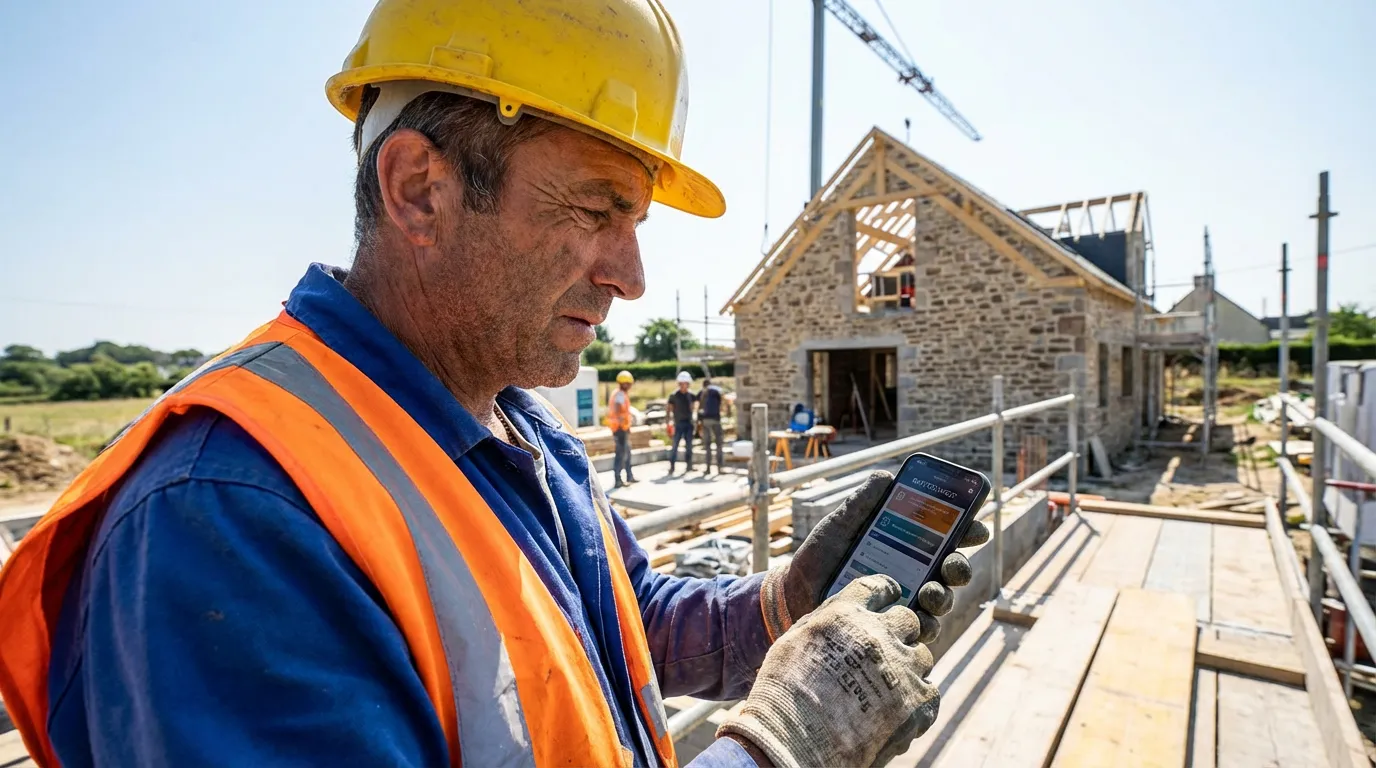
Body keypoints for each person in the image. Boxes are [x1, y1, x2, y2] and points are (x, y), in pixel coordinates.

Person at [0, 2, 991, 766]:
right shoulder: (226, 520)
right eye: (597, 210)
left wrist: (773, 609)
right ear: (419, 190)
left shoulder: (516, 426)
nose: (630, 275)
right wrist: (775, 749)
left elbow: (609, 627)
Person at [609, 370, 638, 487]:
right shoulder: (620, 394)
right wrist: (622, 424)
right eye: (629, 383)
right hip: (619, 429)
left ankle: (629, 476)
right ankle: (618, 480)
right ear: (624, 383)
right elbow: (617, 409)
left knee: (627, 452)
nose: (630, 386)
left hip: (623, 428)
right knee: (620, 454)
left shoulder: (620, 393)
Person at [667, 370, 697, 475]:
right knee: (675, 446)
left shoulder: (691, 396)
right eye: (682, 383)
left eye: (686, 384)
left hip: (688, 424)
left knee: (689, 446)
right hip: (678, 424)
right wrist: (668, 424)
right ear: (679, 384)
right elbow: (669, 410)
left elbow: (693, 408)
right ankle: (672, 467)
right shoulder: (674, 396)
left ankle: (689, 465)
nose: (684, 386)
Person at [698, 377, 728, 474]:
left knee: (707, 445)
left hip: (706, 420)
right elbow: (723, 401)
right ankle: (720, 468)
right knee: (719, 444)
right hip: (716, 419)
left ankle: (708, 468)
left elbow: (699, 407)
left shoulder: (703, 393)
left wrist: (699, 422)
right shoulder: (716, 391)